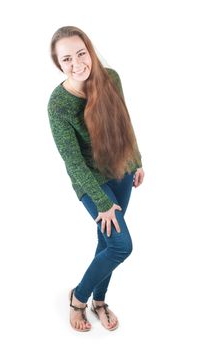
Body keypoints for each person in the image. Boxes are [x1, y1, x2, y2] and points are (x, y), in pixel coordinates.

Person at [47, 26, 145, 332]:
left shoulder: (111, 78)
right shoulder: (58, 105)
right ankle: (78, 298)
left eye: (81, 53)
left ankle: (99, 301)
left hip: (121, 171)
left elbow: (123, 120)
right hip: (92, 182)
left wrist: (136, 160)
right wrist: (102, 202)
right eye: (67, 59)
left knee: (106, 242)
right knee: (120, 246)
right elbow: (73, 162)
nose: (77, 63)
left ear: (89, 50)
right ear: (58, 64)